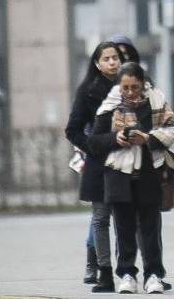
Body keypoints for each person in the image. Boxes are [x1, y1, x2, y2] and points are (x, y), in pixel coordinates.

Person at [88, 62, 174, 295]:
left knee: (151, 228)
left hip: (150, 173)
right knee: (123, 228)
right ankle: (127, 274)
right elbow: (94, 141)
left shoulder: (157, 101)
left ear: (144, 84)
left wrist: (149, 138)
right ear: (119, 86)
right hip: (118, 176)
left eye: (135, 87)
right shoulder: (109, 107)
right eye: (126, 87)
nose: (130, 92)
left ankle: (153, 275)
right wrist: (116, 138)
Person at [64, 41, 122, 293]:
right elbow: (72, 130)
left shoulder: (130, 85)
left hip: (128, 161)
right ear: (97, 63)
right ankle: (104, 272)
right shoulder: (87, 90)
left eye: (115, 58)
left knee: (129, 220)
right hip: (99, 163)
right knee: (100, 219)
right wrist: (93, 147)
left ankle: (130, 271)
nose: (112, 62)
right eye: (106, 58)